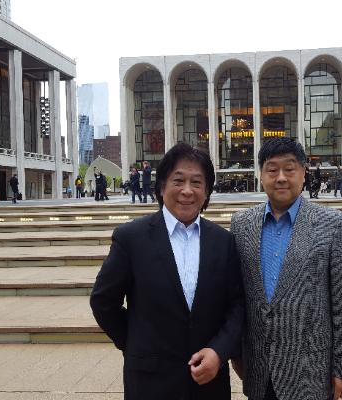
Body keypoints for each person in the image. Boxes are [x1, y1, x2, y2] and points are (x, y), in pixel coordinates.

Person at [90, 143, 244, 400]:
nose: (187, 190)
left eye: (197, 182)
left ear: (207, 192)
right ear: (162, 186)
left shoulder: (223, 241)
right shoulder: (131, 238)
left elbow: (237, 305)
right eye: (178, 180)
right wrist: (137, 344)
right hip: (150, 382)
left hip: (209, 383)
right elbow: (103, 301)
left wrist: (219, 352)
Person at [230, 137, 342, 400]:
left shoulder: (332, 224)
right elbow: (236, 297)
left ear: (303, 172)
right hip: (258, 371)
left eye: (289, 169)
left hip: (310, 373)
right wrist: (236, 354)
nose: (281, 177)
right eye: (272, 169)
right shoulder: (242, 224)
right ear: (261, 175)